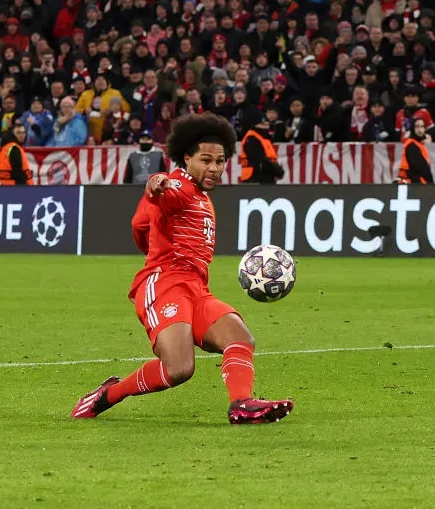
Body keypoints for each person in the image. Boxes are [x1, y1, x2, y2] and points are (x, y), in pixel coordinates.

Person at [70, 113, 294, 425]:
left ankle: (242, 404)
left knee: (239, 337)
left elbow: (138, 224)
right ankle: (109, 394)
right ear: (187, 158)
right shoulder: (181, 185)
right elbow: (166, 191)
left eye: (220, 161)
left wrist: (153, 233)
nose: (213, 168)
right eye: (205, 160)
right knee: (178, 369)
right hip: (165, 285)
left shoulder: (203, 198)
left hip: (197, 289)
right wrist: (157, 187)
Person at [239, 112, 284, 184]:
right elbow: (260, 160)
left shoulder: (263, 138)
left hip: (266, 177)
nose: (266, 127)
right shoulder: (252, 138)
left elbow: (268, 158)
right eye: (263, 124)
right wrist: (277, 170)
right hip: (254, 179)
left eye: (267, 124)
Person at [398, 117, 434, 184]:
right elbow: (421, 167)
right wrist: (431, 183)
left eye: (422, 126)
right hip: (415, 184)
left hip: (416, 183)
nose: (420, 129)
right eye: (417, 126)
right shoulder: (411, 145)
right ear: (412, 128)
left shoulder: (418, 144)